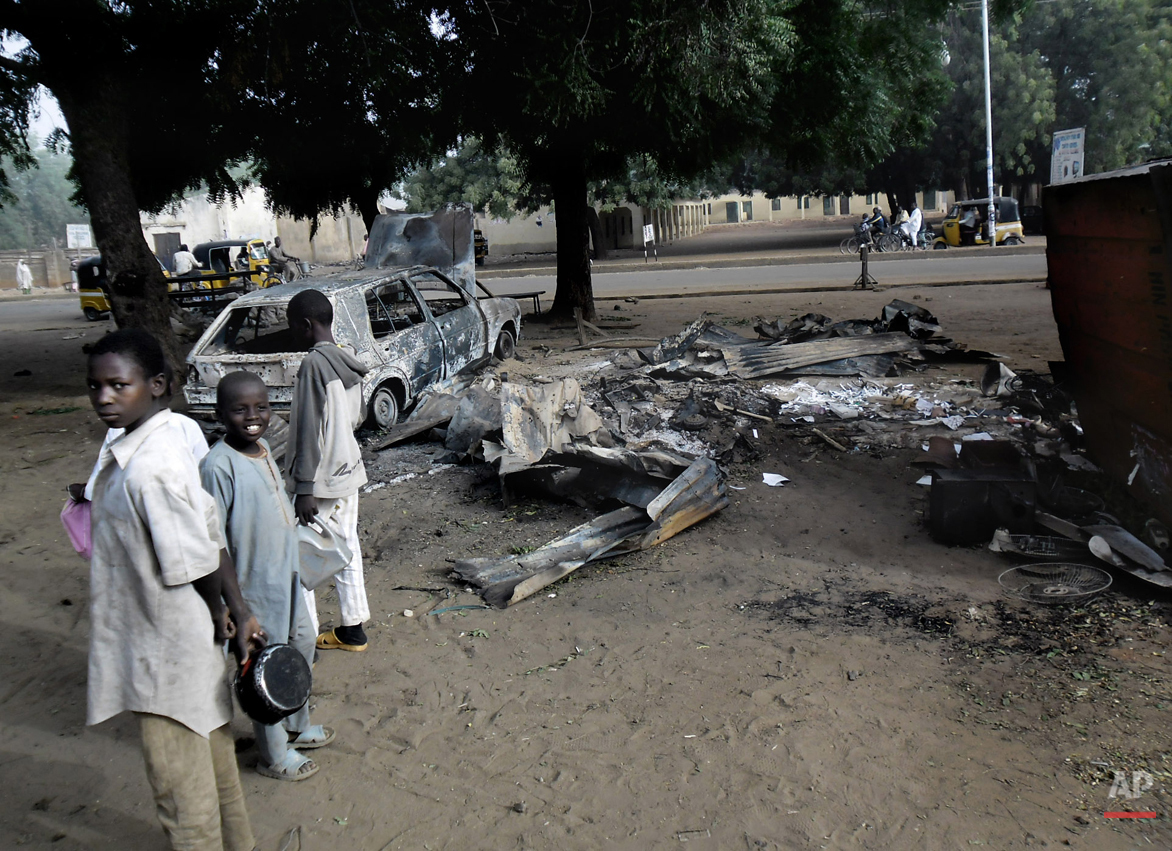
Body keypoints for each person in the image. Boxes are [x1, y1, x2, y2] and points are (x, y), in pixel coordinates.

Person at [85, 328, 263, 850]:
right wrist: (236, 609)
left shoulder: (151, 465)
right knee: (213, 764)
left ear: (157, 385)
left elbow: (197, 557)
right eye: (95, 386)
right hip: (177, 643)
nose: (104, 398)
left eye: (119, 385)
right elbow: (210, 533)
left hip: (164, 652)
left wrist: (223, 608)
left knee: (181, 794)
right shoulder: (164, 440)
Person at [201, 370, 335, 781]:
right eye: (240, 409)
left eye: (261, 407)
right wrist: (232, 605)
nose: (252, 416)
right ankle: (273, 754)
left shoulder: (261, 449)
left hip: (287, 578)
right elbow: (213, 541)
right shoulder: (217, 466)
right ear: (221, 413)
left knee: (298, 648)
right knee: (263, 667)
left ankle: (295, 726)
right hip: (253, 589)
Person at [284, 289, 371, 651]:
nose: (291, 333)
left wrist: (303, 487)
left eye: (292, 327)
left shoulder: (312, 365)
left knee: (298, 554)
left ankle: (304, 637)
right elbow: (357, 417)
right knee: (346, 548)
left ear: (306, 325)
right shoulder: (347, 359)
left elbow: (307, 430)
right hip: (348, 469)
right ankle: (353, 628)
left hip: (319, 482)